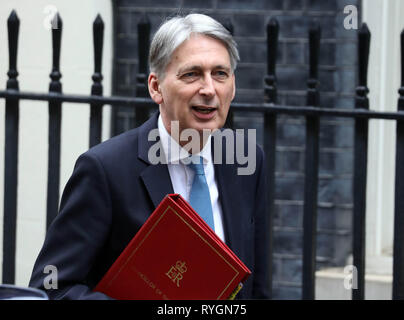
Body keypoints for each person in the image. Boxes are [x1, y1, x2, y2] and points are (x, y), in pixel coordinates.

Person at [29, 13, 270, 300]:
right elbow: (51, 286)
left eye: (220, 73)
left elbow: (258, 287)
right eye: (191, 74)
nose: (208, 89)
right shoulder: (104, 170)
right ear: (156, 87)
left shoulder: (245, 160)